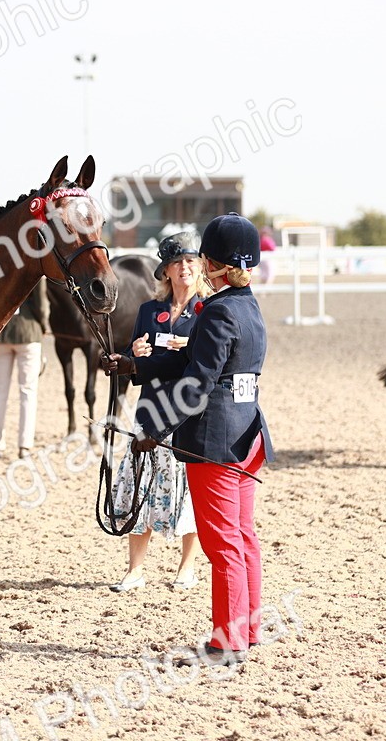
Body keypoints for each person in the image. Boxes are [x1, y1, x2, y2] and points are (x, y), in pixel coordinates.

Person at [103, 213, 273, 667]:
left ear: (212, 264)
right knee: (242, 537)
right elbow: (200, 366)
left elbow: (196, 384)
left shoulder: (216, 312)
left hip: (213, 441)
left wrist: (155, 430)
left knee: (221, 545)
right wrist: (136, 366)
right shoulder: (248, 306)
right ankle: (249, 628)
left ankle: (228, 640)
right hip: (248, 433)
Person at [108, 232, 210, 594]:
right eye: (178, 262)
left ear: (201, 268)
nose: (185, 267)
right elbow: (136, 360)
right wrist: (133, 353)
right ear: (165, 271)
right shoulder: (149, 311)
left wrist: (191, 347)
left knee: (189, 489)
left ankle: (187, 566)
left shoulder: (208, 311)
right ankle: (135, 569)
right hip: (150, 409)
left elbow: (212, 365)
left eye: (192, 261)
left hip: (188, 412)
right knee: (138, 485)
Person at [0, 280, 49, 460]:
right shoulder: (35, 267)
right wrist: (44, 325)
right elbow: (41, 304)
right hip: (28, 332)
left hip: (1, 333)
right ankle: (24, 446)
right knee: (28, 391)